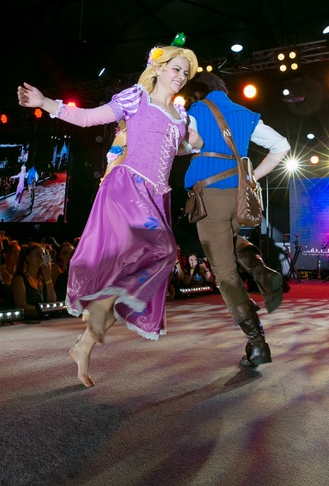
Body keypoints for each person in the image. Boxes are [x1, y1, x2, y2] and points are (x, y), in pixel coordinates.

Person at [17, 43, 202, 387]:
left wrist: (193, 144)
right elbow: (89, 118)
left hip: (157, 195)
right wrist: (45, 103)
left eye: (185, 72)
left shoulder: (181, 116)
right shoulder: (136, 99)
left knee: (145, 268)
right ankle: (99, 312)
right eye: (176, 68)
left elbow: (172, 148)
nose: (181, 76)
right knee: (162, 252)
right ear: (159, 68)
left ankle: (85, 344)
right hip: (129, 185)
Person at [184, 72, 290, 367]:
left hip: (211, 198)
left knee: (225, 275)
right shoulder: (246, 114)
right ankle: (262, 273)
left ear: (198, 93)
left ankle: (257, 344)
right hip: (240, 198)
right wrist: (252, 177)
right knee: (228, 243)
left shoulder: (197, 111)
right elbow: (281, 146)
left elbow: (185, 146)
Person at [12, 242, 57, 318]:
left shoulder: (42, 278)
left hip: (44, 319)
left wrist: (48, 278)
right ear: (28, 258)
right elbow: (21, 305)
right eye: (37, 255)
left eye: (43, 255)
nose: (41, 257)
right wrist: (42, 309)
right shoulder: (20, 278)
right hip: (27, 321)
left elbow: (52, 300)